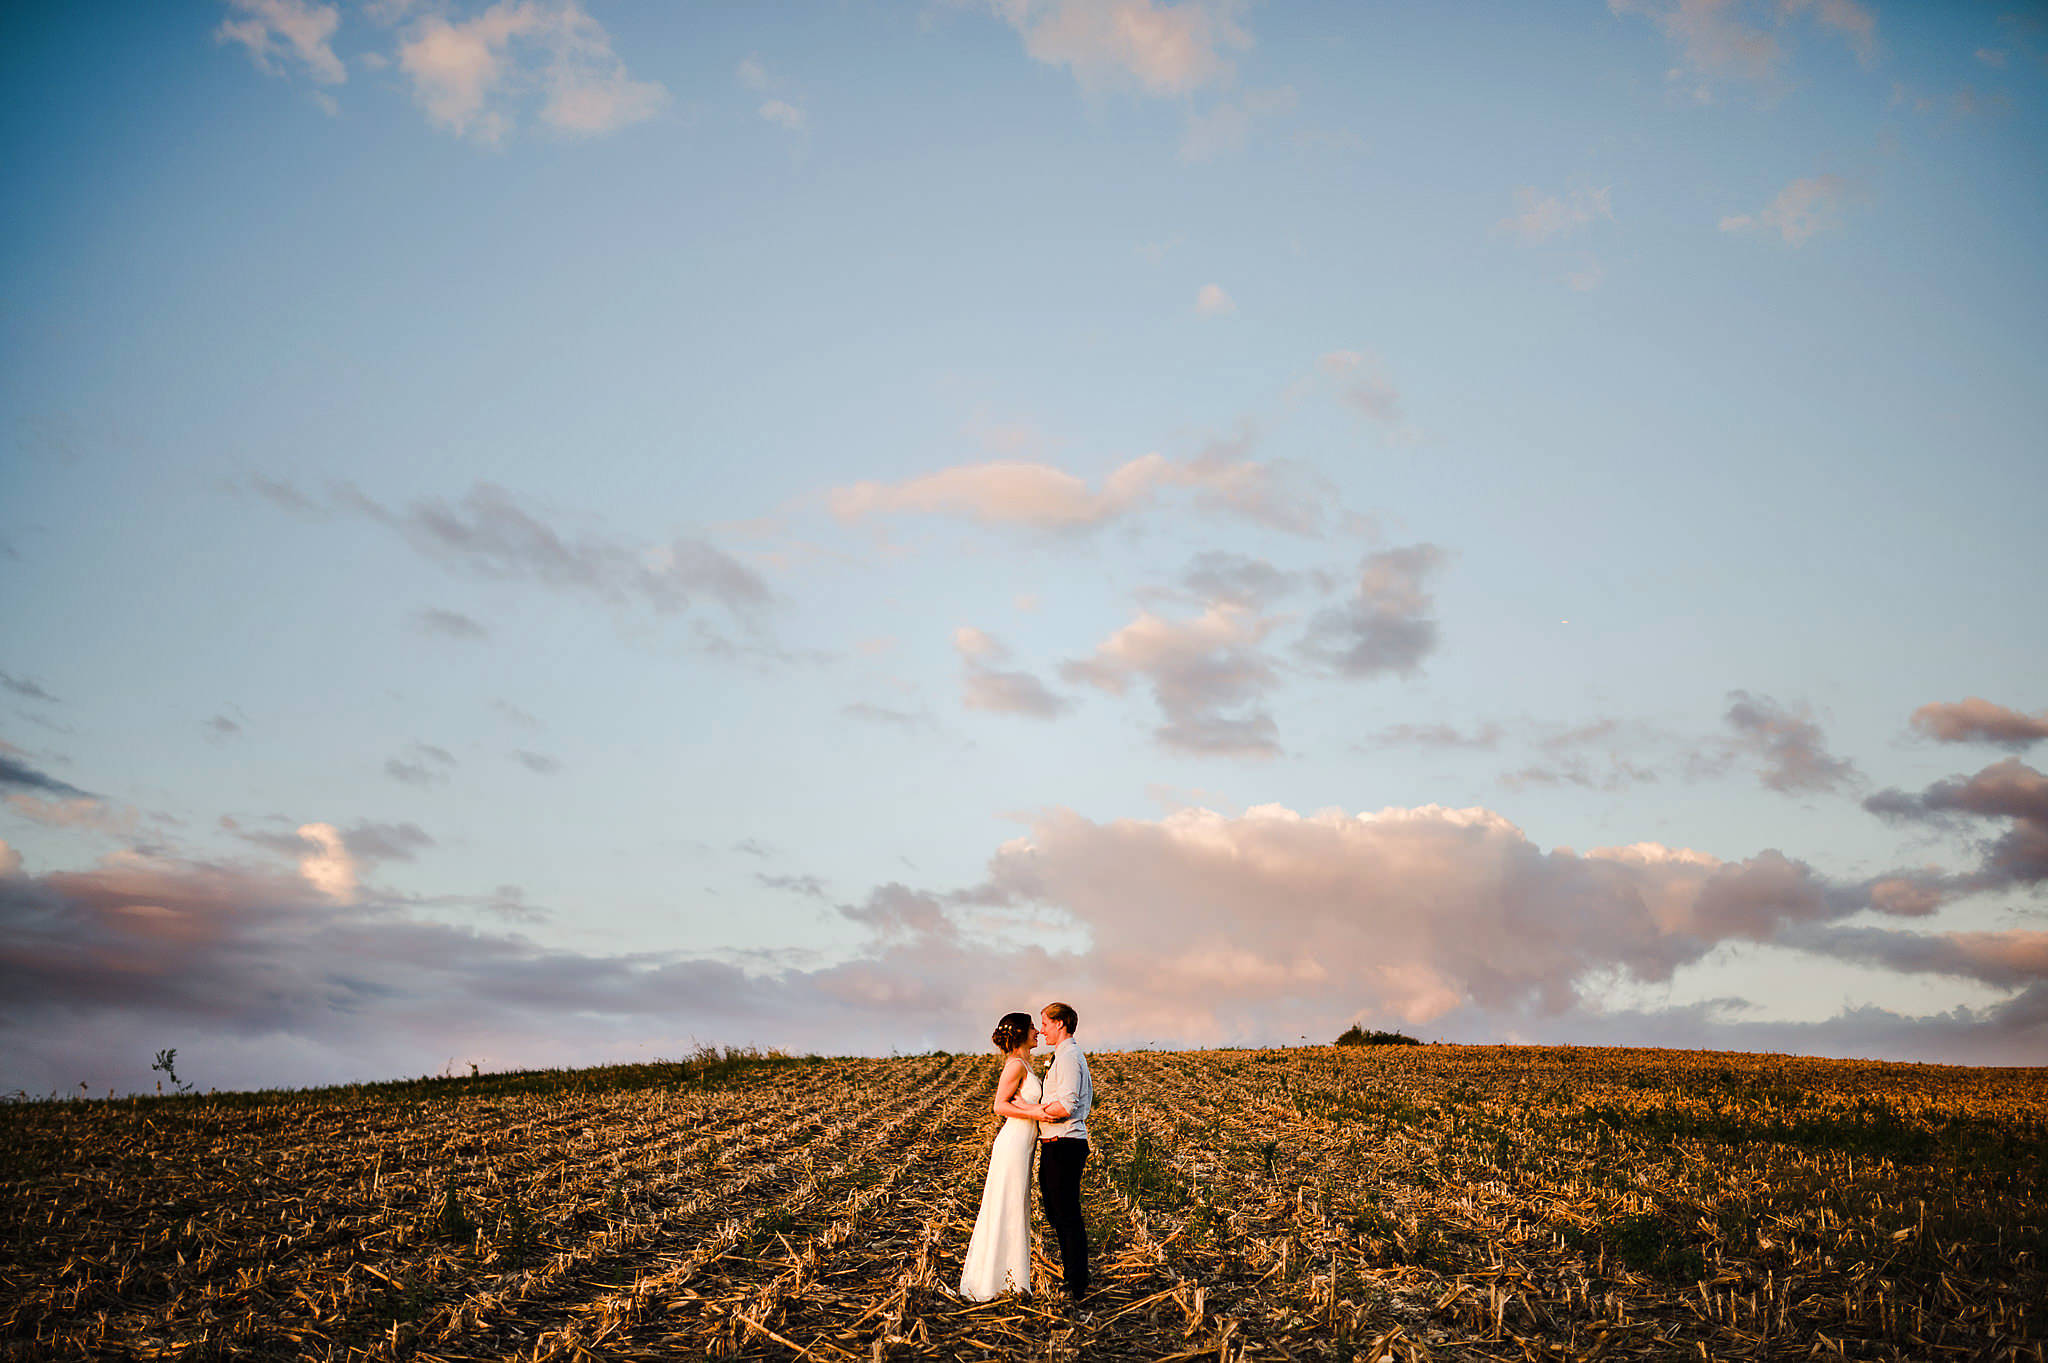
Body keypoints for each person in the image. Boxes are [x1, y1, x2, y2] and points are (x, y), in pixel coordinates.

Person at [958, 1011, 1056, 1300]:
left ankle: (1009, 1280)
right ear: (1021, 1033)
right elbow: (999, 1106)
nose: (1037, 1032)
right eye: (1032, 1028)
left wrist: (1031, 1110)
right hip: (1013, 1143)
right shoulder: (1015, 1065)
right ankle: (997, 1283)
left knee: (1016, 1206)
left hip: (1023, 1143)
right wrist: (1034, 1111)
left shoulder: (1025, 1063)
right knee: (1007, 1206)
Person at [1037, 1000, 1093, 1304]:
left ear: (1060, 1023)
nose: (1042, 1029)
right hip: (1056, 1144)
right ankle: (1075, 1275)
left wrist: (1034, 1111)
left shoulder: (1070, 1057)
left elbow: (1067, 1104)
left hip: (1065, 1143)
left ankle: (1076, 1283)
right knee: (1056, 1212)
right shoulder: (1064, 1056)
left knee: (1067, 1215)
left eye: (1044, 1023)